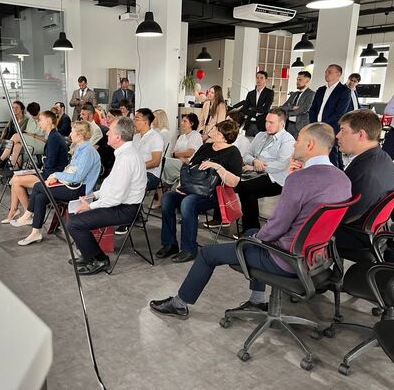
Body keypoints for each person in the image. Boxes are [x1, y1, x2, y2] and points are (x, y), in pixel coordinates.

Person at [150, 122, 352, 319]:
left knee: (207, 253)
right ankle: (257, 299)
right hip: (316, 258)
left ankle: (179, 303)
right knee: (249, 232)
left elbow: (277, 226)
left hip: (285, 259)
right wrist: (255, 235)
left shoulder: (299, 180)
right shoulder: (343, 179)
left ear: (310, 145)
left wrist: (257, 238)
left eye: (298, 141)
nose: (294, 145)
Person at [66, 117, 146, 275]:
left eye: (110, 131)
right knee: (75, 215)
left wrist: (90, 205)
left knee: (74, 223)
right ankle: (89, 255)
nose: (107, 133)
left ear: (118, 137)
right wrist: (93, 195)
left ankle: (99, 260)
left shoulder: (127, 158)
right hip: (121, 205)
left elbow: (116, 197)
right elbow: (111, 185)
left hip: (125, 209)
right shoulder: (125, 153)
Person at [156, 119, 243, 264]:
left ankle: (189, 249)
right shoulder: (206, 147)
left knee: (188, 203)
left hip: (212, 193)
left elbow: (234, 182)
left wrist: (217, 167)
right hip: (192, 187)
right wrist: (182, 184)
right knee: (167, 198)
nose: (212, 132)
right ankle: (169, 243)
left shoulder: (233, 153)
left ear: (224, 137)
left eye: (216, 131)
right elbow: (191, 166)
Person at [12, 121, 101, 246]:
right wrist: (55, 178)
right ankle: (35, 232)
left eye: (72, 132)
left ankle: (28, 215)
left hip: (80, 189)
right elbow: (70, 170)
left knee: (38, 186)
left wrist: (56, 175)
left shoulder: (88, 151)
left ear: (80, 135)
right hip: (73, 185)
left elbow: (77, 177)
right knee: (40, 196)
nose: (70, 134)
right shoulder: (80, 148)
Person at [333, 109, 394, 256]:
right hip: (375, 230)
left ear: (361, 135)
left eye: (343, 131)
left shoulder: (364, 172)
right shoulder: (384, 158)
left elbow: (345, 216)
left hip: (355, 236)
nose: (337, 135)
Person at [236, 107, 295, 233]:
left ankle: (251, 229)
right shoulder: (260, 135)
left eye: (271, 122)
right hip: (255, 173)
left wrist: (256, 167)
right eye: (266, 121)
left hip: (276, 178)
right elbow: (247, 155)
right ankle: (222, 219)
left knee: (246, 188)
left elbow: (281, 165)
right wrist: (254, 161)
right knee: (228, 180)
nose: (267, 125)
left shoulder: (288, 140)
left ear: (282, 124)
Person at [309, 64, 352, 169]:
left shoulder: (344, 91)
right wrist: (314, 123)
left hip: (332, 128)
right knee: (318, 153)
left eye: (329, 72)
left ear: (338, 74)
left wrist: (323, 123)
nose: (326, 74)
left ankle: (335, 175)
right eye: (326, 72)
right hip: (317, 126)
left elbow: (339, 113)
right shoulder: (321, 90)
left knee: (332, 155)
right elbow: (313, 109)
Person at [0, 102, 47, 169]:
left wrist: (33, 135)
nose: (34, 117)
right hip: (30, 141)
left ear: (39, 111)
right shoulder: (31, 120)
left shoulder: (45, 121)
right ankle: (15, 168)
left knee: (16, 136)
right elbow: (27, 132)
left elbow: (46, 140)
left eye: (35, 115)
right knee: (17, 146)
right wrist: (28, 134)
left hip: (41, 144)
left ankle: (1, 160)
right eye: (32, 115)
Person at [132, 108, 165, 191]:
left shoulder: (155, 137)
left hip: (150, 174)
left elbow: (155, 162)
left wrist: (136, 167)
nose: (134, 122)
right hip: (136, 172)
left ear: (146, 122)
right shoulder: (135, 137)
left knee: (128, 183)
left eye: (136, 119)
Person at [236, 71, 274, 137]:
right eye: (257, 78)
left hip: (261, 125)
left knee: (260, 143)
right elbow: (244, 109)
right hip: (249, 124)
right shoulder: (250, 93)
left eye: (261, 78)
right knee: (248, 142)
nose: (259, 80)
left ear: (266, 80)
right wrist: (256, 113)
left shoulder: (269, 93)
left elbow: (265, 109)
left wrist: (252, 108)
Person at [281, 71, 315, 139]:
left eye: (300, 80)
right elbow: (283, 107)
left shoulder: (311, 94)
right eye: (297, 79)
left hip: (301, 127)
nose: (297, 82)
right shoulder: (294, 94)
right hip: (289, 125)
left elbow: (303, 109)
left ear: (307, 81)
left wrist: (288, 112)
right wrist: (292, 107)